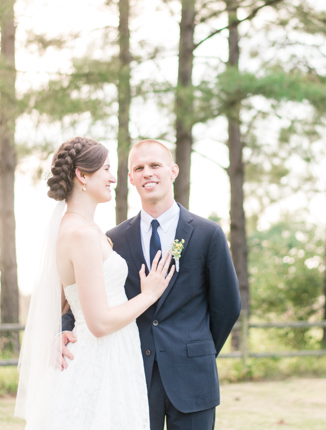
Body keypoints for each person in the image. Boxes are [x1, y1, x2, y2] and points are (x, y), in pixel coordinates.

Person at [61, 139, 242, 430]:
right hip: (133, 374)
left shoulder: (208, 234)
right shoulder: (113, 239)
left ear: (173, 171)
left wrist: (198, 349)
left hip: (194, 376)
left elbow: (228, 306)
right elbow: (88, 294)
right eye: (139, 168)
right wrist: (64, 328)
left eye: (155, 165)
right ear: (130, 178)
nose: (148, 173)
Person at [15, 137, 175, 429]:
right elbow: (98, 323)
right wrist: (148, 295)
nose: (113, 177)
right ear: (82, 175)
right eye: (106, 169)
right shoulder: (82, 235)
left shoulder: (84, 229)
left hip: (114, 354)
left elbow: (73, 301)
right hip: (101, 359)